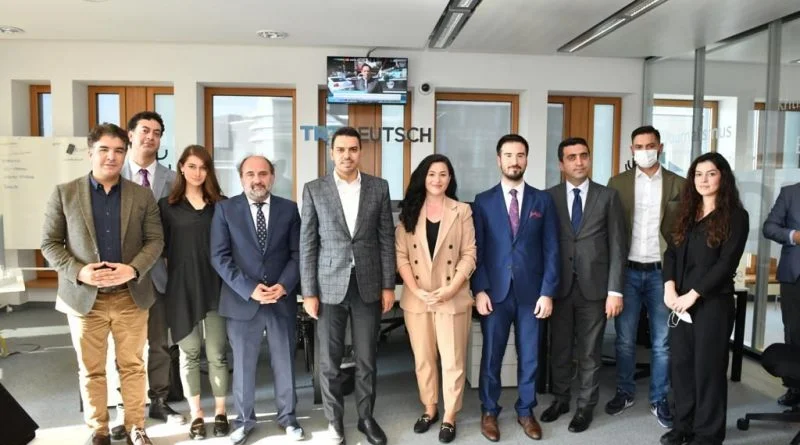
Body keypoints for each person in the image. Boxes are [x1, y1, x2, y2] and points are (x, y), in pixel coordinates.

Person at [41, 123, 163, 445]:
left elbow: (155, 241)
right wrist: (79, 272)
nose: (112, 156)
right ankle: (99, 430)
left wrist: (132, 270)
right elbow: (49, 244)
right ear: (90, 152)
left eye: (119, 150)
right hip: (84, 299)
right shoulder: (64, 193)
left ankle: (136, 426)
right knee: (91, 369)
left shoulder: (141, 195)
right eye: (104, 149)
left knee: (133, 366)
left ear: (125, 154)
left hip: (130, 297)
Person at [300, 126, 396, 445]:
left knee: (367, 357)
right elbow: (308, 244)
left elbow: (386, 239)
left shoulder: (378, 187)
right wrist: (309, 292)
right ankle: (334, 421)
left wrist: (388, 286)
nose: (347, 155)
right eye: (340, 149)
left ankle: (366, 417)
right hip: (328, 286)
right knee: (329, 360)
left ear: (360, 152)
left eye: (353, 149)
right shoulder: (314, 189)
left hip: (368, 284)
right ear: (331, 153)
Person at [210, 155, 305, 444]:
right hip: (242, 302)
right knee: (243, 366)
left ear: (272, 177)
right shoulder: (225, 210)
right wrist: (249, 288)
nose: (257, 180)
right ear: (241, 178)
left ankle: (288, 418)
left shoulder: (289, 209)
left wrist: (284, 285)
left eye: (263, 174)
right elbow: (219, 257)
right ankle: (243, 421)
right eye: (250, 174)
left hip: (280, 300)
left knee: (284, 363)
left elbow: (298, 253)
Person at [471, 134, 559, 442]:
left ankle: (525, 410)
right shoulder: (483, 201)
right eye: (508, 155)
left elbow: (552, 249)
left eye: (520, 155)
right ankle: (489, 410)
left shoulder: (542, 200)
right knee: (491, 356)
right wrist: (479, 289)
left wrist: (547, 292)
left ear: (526, 159)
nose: (514, 161)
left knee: (530, 355)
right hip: (494, 293)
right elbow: (477, 249)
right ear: (499, 160)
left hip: (531, 294)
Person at [660, 152, 748, 445]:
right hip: (680, 303)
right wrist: (669, 288)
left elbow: (726, 264)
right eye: (698, 174)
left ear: (723, 177)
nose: (704, 180)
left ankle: (707, 434)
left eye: (711, 174)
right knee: (681, 367)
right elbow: (671, 253)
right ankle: (682, 425)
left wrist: (693, 294)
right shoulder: (686, 212)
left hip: (712, 303)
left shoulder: (736, 216)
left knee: (707, 370)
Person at [542, 137, 627, 433]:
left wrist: (615, 290)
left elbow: (618, 245)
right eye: (572, 157)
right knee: (560, 349)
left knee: (590, 352)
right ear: (561, 164)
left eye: (583, 155)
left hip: (595, 288)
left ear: (589, 159)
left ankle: (585, 407)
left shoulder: (608, 196)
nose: (579, 162)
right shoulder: (548, 197)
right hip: (559, 287)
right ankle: (561, 399)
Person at [606, 125, 685, 428]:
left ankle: (659, 399)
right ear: (632, 150)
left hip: (661, 273)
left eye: (650, 145)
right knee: (624, 339)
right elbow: (611, 230)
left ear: (660, 147)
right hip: (627, 271)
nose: (645, 151)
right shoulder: (617, 183)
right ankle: (625, 392)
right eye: (639, 147)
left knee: (662, 342)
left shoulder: (679, 184)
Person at [395, 154, 476, 443]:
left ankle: (450, 415)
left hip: (451, 296)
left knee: (453, 360)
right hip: (417, 298)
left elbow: (470, 253)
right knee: (424, 359)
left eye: (443, 174)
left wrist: (452, 288)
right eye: (431, 174)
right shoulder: (409, 211)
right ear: (423, 177)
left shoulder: (462, 210)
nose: (437, 179)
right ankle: (429, 408)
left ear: (450, 178)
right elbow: (401, 256)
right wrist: (416, 290)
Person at [158, 145, 228, 440]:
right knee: (189, 354)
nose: (198, 173)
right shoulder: (166, 206)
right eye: (192, 166)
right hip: (182, 289)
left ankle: (221, 412)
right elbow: (160, 250)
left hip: (216, 288)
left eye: (203, 167)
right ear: (181, 168)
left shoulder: (221, 205)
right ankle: (197, 414)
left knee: (217, 354)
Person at [120, 111, 183, 428]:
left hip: (158, 275)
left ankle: (159, 400)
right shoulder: (112, 175)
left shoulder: (173, 180)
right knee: (123, 346)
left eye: (157, 132)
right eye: (144, 130)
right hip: (119, 278)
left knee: (159, 343)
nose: (150, 137)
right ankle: (126, 405)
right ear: (130, 134)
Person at [763, 180, 800, 406]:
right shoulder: (790, 193)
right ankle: (795, 388)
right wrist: (794, 236)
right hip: (795, 275)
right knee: (794, 332)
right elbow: (769, 227)